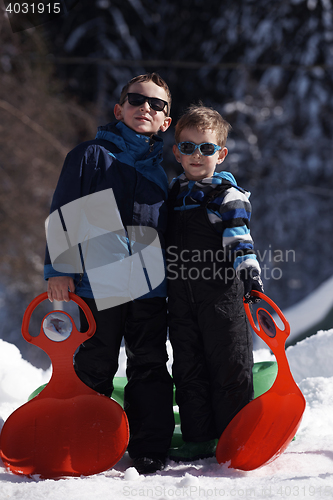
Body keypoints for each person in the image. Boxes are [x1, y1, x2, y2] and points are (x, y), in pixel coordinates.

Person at [44, 73, 175, 474]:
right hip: (98, 281)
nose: (145, 108)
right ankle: (81, 439)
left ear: (166, 121)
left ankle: (149, 447)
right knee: (96, 362)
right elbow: (64, 211)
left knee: (149, 363)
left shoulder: (161, 172)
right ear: (119, 110)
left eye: (157, 105)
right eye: (136, 100)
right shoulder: (92, 155)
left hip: (149, 286)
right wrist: (58, 269)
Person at [166, 103, 264, 462]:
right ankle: (198, 440)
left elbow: (240, 239)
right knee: (188, 369)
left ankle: (235, 439)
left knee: (229, 366)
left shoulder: (226, 195)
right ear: (177, 152)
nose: (197, 155)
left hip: (221, 297)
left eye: (206, 148)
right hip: (180, 301)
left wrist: (251, 278)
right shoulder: (173, 195)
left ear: (220, 153)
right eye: (188, 147)